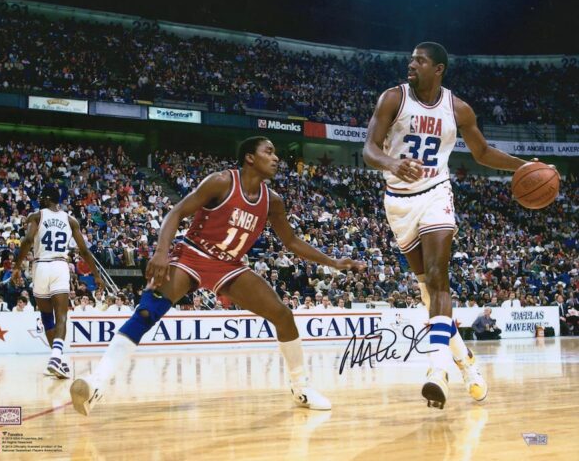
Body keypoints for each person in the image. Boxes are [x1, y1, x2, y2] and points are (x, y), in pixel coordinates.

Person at [70, 137, 364, 416]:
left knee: (282, 314)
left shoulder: (272, 201)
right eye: (269, 151)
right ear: (250, 157)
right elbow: (176, 212)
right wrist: (162, 251)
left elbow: (292, 242)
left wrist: (333, 261)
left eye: (275, 153)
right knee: (148, 310)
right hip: (193, 254)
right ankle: (97, 382)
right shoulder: (222, 181)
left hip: (230, 265)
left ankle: (302, 388)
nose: (276, 158)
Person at [362, 42, 543, 409]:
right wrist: (391, 164)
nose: (411, 64)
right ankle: (467, 365)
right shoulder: (393, 99)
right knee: (428, 291)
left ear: (439, 69)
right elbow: (368, 149)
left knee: (437, 276)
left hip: (435, 193)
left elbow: (482, 152)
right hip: (397, 202)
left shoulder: (457, 108)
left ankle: (437, 370)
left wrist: (523, 166)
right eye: (411, 58)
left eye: (420, 60)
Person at [12, 185, 104, 378]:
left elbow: (28, 240)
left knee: (47, 318)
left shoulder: (37, 216)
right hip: (60, 266)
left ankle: (55, 359)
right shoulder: (71, 220)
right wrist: (96, 274)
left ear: (46, 199)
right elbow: (84, 251)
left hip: (40, 266)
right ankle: (57, 358)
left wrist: (16, 266)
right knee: (61, 316)